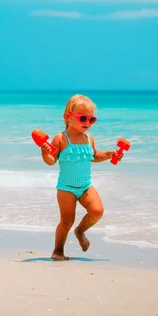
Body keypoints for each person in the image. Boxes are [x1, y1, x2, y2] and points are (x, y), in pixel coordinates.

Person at [40, 94, 122, 261]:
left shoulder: (88, 138)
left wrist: (107, 154)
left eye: (92, 120)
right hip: (66, 188)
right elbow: (51, 161)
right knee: (66, 222)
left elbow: (93, 156)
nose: (87, 122)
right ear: (68, 117)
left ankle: (80, 231)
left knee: (97, 211)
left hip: (85, 186)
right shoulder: (61, 138)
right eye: (83, 118)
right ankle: (58, 250)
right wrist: (44, 153)